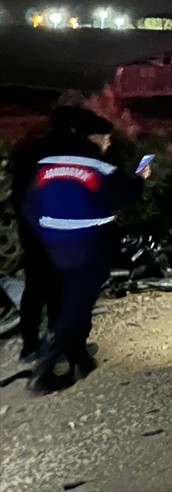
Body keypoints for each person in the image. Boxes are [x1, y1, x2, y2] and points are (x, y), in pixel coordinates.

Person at [23, 111, 145, 394]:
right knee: (78, 304)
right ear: (96, 138)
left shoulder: (47, 165)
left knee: (74, 298)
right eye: (107, 138)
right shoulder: (99, 167)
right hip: (90, 245)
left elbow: (30, 206)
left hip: (56, 246)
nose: (108, 143)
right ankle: (44, 369)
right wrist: (140, 178)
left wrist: (47, 233)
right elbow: (124, 196)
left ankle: (80, 357)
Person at [6, 105, 93, 362]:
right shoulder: (71, 153)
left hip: (31, 229)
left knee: (34, 288)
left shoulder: (28, 151)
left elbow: (17, 192)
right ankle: (58, 348)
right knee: (61, 289)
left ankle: (30, 346)